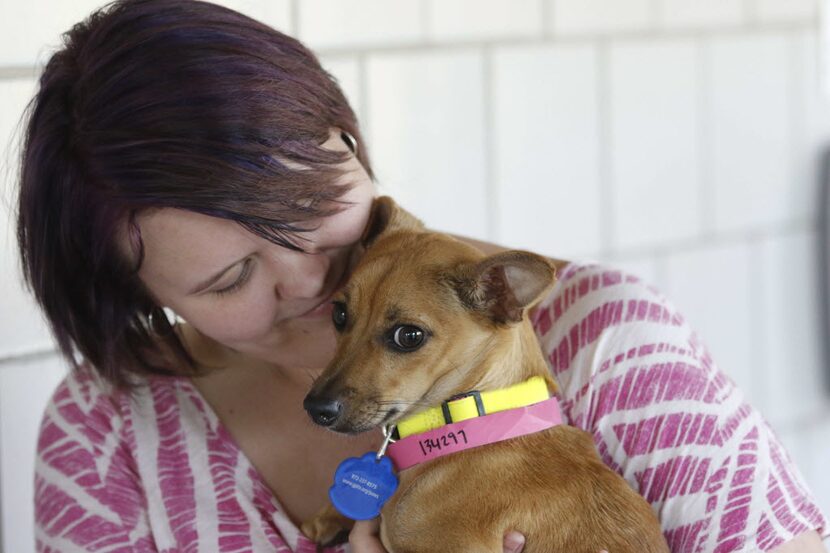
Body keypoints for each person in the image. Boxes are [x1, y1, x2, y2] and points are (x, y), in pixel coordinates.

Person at [15, 1, 827, 552]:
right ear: (140, 295)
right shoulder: (104, 435)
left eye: (311, 210)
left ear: (349, 141)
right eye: (230, 279)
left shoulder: (608, 339)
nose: (312, 283)